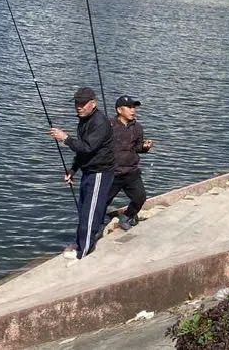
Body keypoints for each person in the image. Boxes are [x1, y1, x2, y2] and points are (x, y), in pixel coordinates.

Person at [50, 87, 116, 260]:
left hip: (100, 172)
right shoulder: (84, 120)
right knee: (84, 210)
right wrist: (73, 169)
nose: (78, 107)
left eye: (82, 103)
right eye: (76, 103)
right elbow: (82, 152)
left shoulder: (99, 122)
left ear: (93, 103)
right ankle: (81, 244)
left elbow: (87, 147)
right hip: (88, 171)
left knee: (90, 213)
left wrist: (65, 138)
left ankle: (83, 253)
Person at [108, 95, 154, 231]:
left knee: (140, 197)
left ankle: (127, 215)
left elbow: (137, 147)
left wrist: (145, 147)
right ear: (119, 110)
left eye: (134, 107)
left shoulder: (138, 127)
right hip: (112, 172)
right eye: (129, 107)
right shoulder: (109, 126)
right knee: (102, 201)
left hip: (131, 171)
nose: (133, 110)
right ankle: (96, 226)